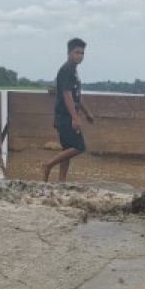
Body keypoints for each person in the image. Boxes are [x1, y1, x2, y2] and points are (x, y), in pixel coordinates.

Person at [42, 38, 95, 182]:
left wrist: (87, 113)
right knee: (79, 147)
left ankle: (61, 181)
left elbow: (77, 95)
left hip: (67, 116)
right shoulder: (66, 70)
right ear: (69, 53)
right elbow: (67, 95)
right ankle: (48, 165)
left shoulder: (73, 71)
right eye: (77, 52)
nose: (80, 56)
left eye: (82, 53)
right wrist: (75, 117)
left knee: (68, 150)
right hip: (64, 116)